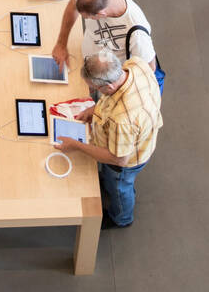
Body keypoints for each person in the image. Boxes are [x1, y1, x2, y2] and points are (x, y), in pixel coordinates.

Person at [55, 50, 162, 229]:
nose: (95, 92)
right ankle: (107, 181)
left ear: (108, 87)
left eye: (96, 89)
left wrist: (77, 145)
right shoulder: (136, 65)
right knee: (110, 180)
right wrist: (96, 109)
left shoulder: (122, 120)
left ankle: (121, 217)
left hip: (126, 162)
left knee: (120, 189)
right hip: (137, 136)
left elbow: (118, 159)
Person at [52, 0, 158, 81]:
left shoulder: (137, 33)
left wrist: (114, 83)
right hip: (90, 64)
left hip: (107, 78)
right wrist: (61, 44)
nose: (85, 18)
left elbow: (149, 68)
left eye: (87, 17)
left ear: (101, 15)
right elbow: (73, 4)